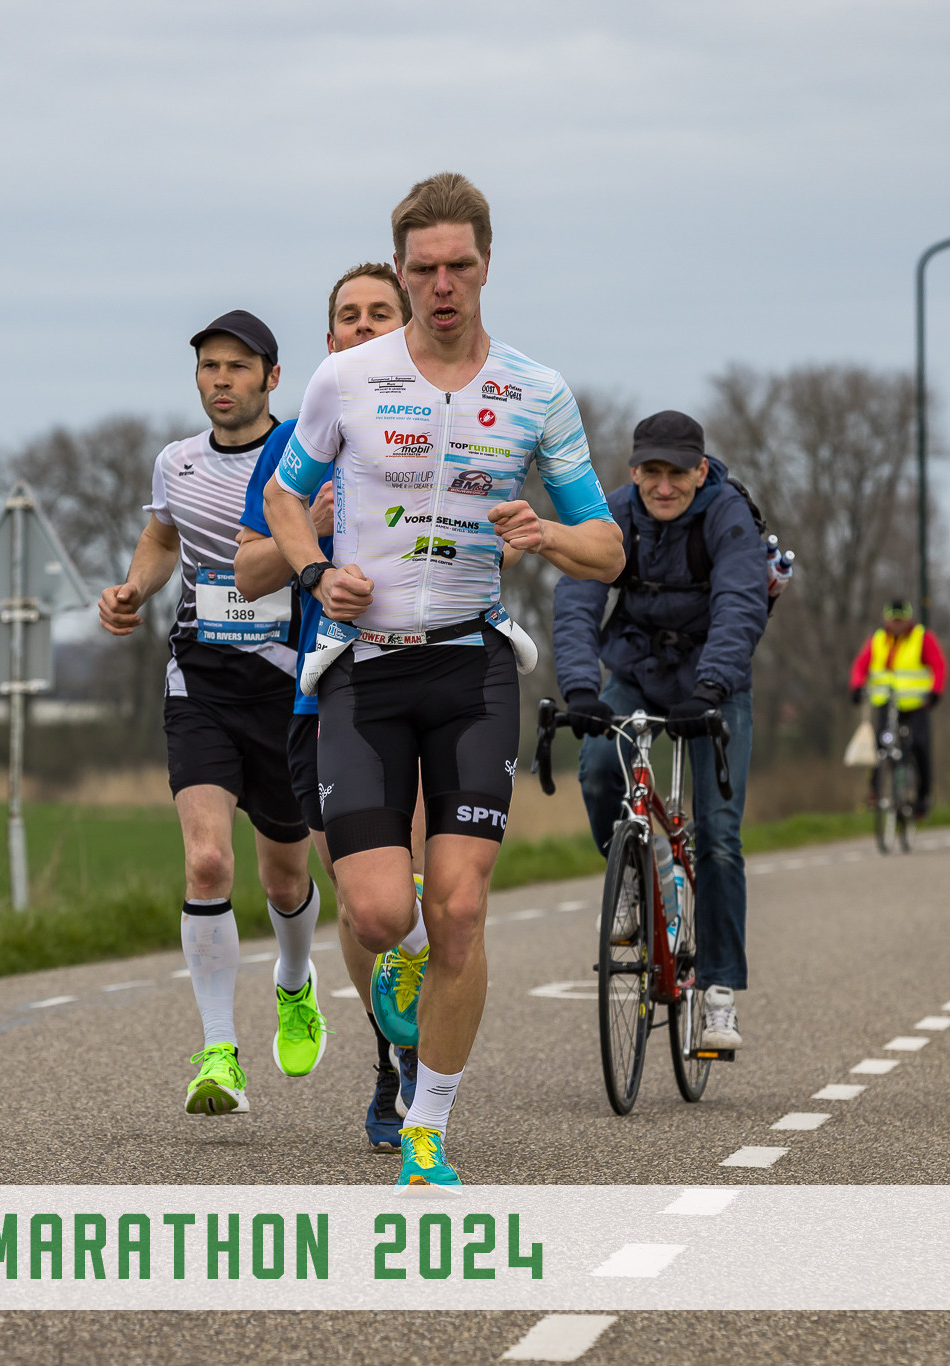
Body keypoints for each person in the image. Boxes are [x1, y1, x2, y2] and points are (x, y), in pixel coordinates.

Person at [262, 172, 623, 1186]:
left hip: (473, 668)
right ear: (401, 267)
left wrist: (546, 532)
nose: (442, 285)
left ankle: (427, 1128)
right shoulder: (345, 380)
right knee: (378, 912)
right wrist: (312, 572)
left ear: (487, 264)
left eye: (459, 264)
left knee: (463, 907)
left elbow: (606, 549)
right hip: (364, 669)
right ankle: (407, 950)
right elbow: (286, 499)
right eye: (423, 268)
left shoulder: (535, 391)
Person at [97, 309, 322, 1119]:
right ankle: (219, 1052)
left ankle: (294, 981)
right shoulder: (177, 462)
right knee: (205, 864)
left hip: (287, 689)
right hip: (201, 682)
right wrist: (133, 587)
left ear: (271, 377)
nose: (221, 381)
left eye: (237, 367)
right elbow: (163, 539)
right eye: (208, 367)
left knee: (284, 876)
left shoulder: (302, 456)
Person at [233, 261, 427, 1153]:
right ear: (330, 339)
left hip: (426, 679)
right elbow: (248, 573)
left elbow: (491, 539)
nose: (362, 327)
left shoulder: (442, 417)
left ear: (407, 326)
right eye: (348, 316)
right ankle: (392, 1054)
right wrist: (303, 532)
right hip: (325, 694)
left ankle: (427, 1049)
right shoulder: (296, 440)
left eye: (380, 313)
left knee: (412, 881)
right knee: (356, 898)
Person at [552, 410, 768, 1052]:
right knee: (597, 769)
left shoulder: (727, 516)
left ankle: (719, 993)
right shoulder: (615, 513)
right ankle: (630, 879)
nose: (664, 486)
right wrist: (581, 689)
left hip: (713, 685)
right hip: (637, 671)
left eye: (677, 473)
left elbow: (740, 603)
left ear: (700, 471)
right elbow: (578, 595)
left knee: (719, 837)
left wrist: (713, 686)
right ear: (634, 470)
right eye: (652, 472)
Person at [848, 601, 947, 818]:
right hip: (887, 702)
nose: (897, 624)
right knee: (880, 744)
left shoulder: (922, 638)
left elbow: (938, 665)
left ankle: (922, 798)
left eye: (901, 620)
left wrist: (935, 692)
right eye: (893, 620)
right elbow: (861, 665)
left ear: (908, 619)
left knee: (920, 746)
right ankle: (875, 791)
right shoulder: (877, 639)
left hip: (916, 704)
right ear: (886, 619)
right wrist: (856, 687)